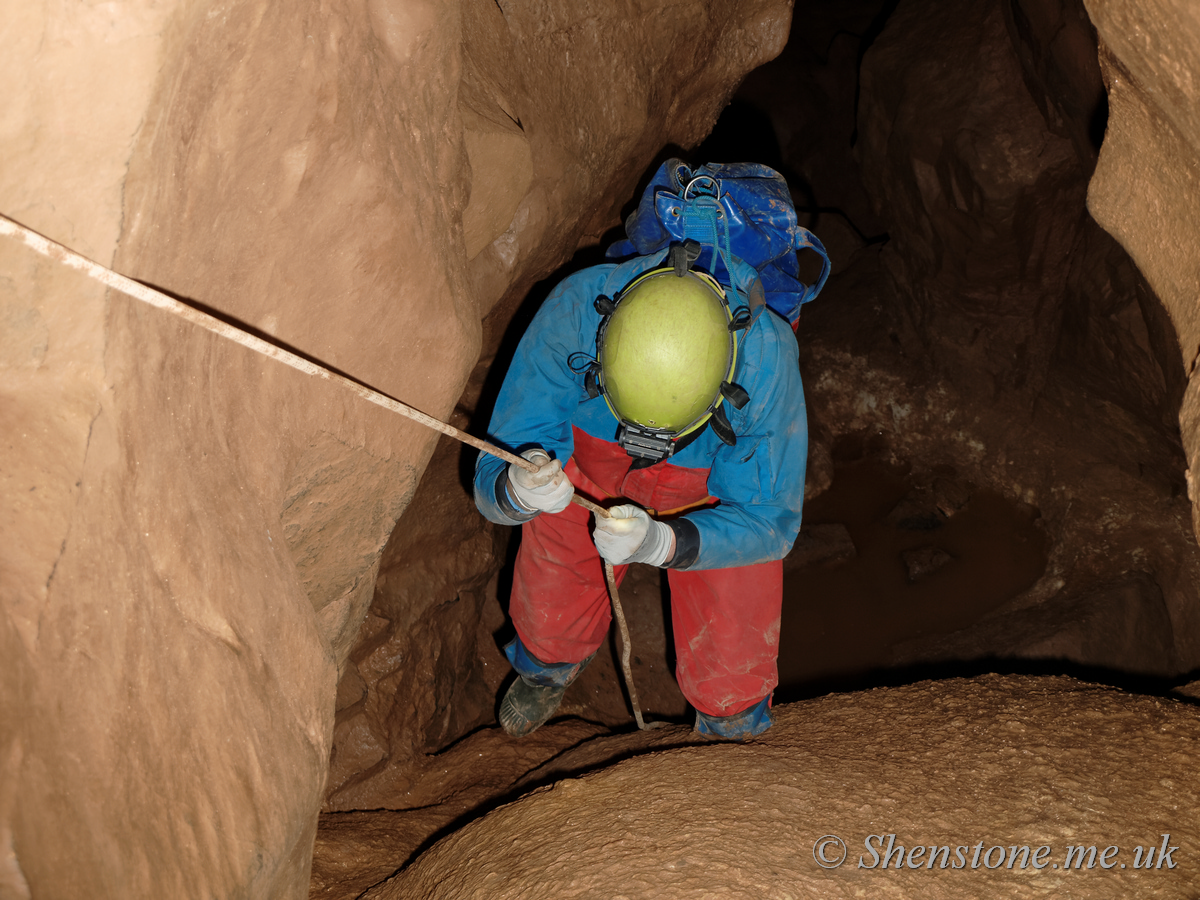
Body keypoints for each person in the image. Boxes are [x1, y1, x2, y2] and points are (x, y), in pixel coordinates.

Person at [473, 196, 809, 742]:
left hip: (710, 490)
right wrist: (517, 486)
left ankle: (730, 718)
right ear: (602, 357)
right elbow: (498, 454)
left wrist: (664, 543)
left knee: (736, 604)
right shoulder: (574, 313)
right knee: (556, 560)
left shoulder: (767, 358)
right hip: (590, 463)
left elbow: (770, 521)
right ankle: (546, 667)